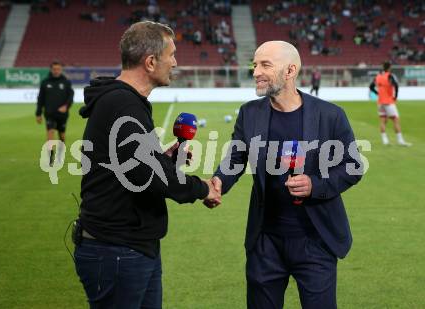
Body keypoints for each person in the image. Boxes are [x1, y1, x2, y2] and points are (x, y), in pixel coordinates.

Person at [204, 41, 363, 309]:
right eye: (255, 65)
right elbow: (236, 157)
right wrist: (219, 182)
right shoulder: (249, 113)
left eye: (265, 64)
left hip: (316, 240)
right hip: (265, 242)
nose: (256, 72)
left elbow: (352, 166)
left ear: (290, 71)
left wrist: (315, 184)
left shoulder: (330, 115)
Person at [74, 21, 220, 309]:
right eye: (172, 54)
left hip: (131, 246)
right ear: (151, 61)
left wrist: (162, 159)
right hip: (116, 249)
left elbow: (135, 169)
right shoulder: (123, 105)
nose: (176, 62)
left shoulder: (125, 102)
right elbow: (151, 176)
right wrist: (202, 189)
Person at [36, 61, 74, 165]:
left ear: (61, 70)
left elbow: (70, 96)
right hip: (49, 114)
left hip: (62, 115)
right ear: (51, 69)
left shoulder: (66, 82)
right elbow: (40, 99)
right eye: (54, 69)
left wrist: (66, 106)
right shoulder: (45, 82)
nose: (56, 71)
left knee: (62, 135)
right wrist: (38, 113)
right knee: (50, 134)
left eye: (58, 69)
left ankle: (60, 154)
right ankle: (50, 157)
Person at [369, 61, 411, 146]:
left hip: (380, 102)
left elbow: (371, 86)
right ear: (389, 67)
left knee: (383, 121)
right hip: (388, 101)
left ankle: (385, 141)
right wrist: (395, 96)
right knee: (396, 120)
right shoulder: (389, 75)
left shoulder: (378, 76)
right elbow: (396, 85)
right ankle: (400, 141)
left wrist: (377, 93)